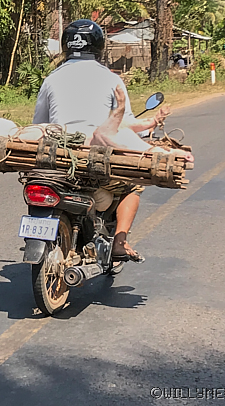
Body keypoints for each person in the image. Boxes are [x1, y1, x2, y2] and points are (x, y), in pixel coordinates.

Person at [33, 19, 169, 262]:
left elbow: (39, 124)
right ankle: (119, 242)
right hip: (94, 161)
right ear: (99, 46)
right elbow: (123, 122)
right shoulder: (111, 79)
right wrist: (142, 135)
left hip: (58, 160)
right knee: (133, 187)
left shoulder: (51, 79)